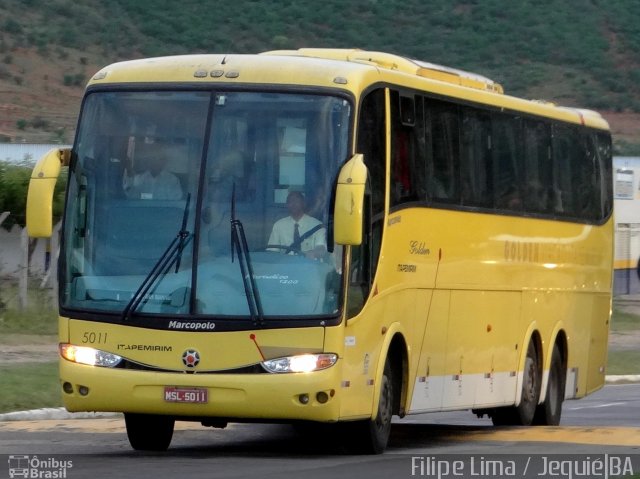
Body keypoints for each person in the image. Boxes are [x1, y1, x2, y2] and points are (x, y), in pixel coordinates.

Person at [268, 191, 326, 259]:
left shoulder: (317, 225)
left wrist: (315, 253)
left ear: (303, 204)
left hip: (309, 266)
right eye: (290, 201)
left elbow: (321, 248)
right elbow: (272, 252)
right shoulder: (278, 225)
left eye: (296, 201)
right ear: (287, 205)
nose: (293, 204)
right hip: (284, 266)